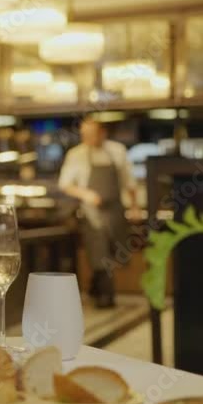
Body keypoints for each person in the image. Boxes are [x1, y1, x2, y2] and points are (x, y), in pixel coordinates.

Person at [59, 118, 137, 308]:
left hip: (115, 209)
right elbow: (65, 184)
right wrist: (86, 194)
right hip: (91, 211)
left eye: (91, 134)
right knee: (98, 250)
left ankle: (95, 287)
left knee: (115, 251)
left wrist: (134, 207)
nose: (87, 138)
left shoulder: (117, 151)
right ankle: (106, 296)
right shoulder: (76, 154)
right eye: (84, 135)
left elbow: (129, 181)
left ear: (103, 133)